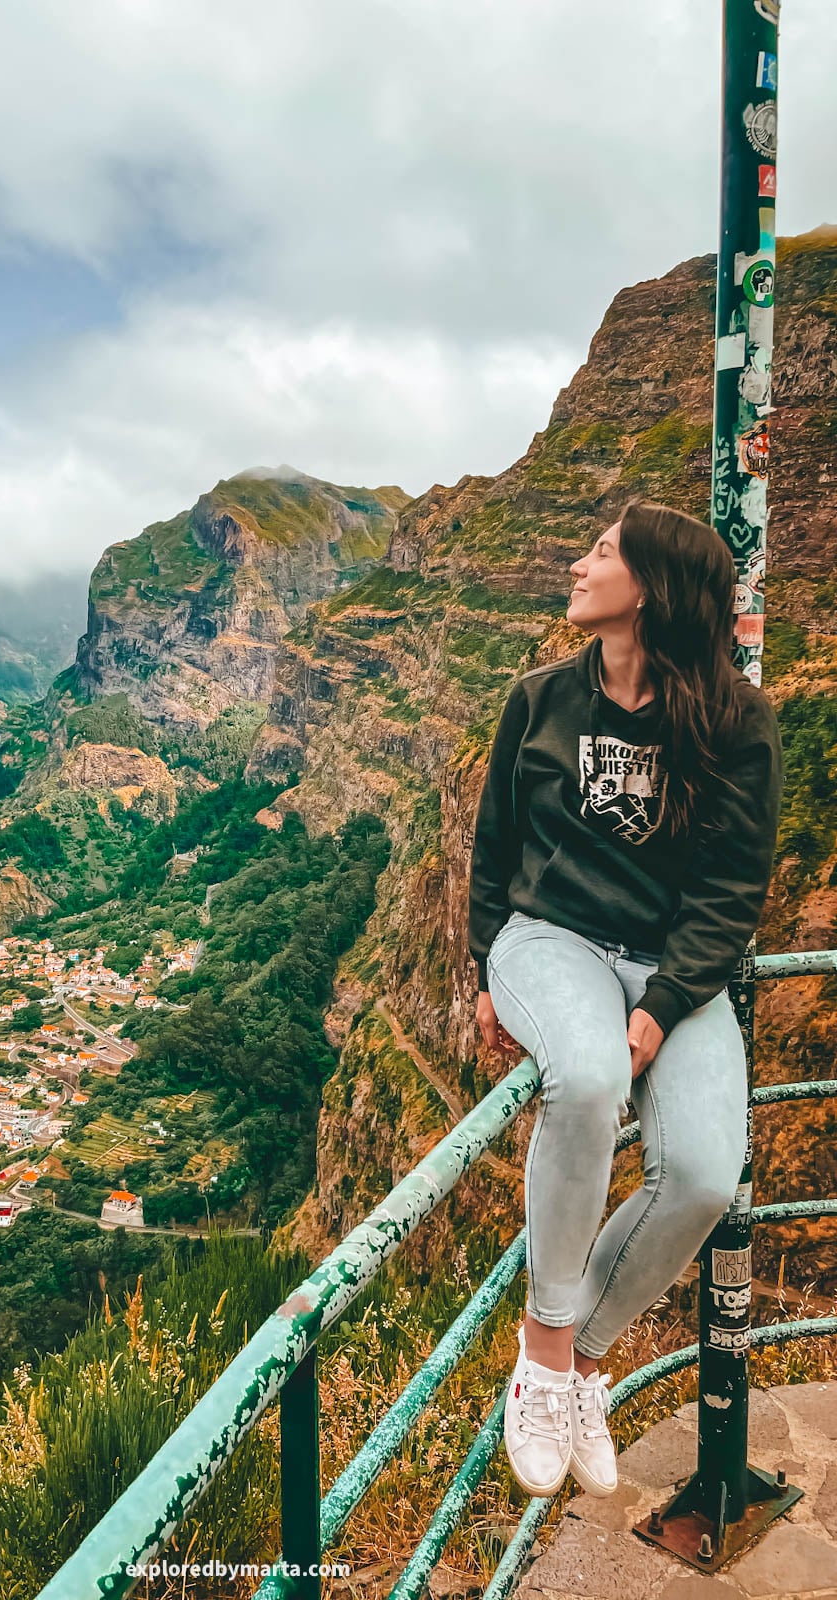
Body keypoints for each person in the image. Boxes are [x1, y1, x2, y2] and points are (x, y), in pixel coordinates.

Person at [467, 497, 783, 1500]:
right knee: (590, 1076)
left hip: (669, 967)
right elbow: (493, 845)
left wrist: (666, 1001)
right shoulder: (540, 699)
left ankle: (581, 1366)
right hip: (549, 938)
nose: (578, 564)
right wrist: (486, 971)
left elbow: (730, 890)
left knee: (703, 1172)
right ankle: (542, 1353)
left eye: (601, 552)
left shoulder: (733, 723)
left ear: (649, 590)